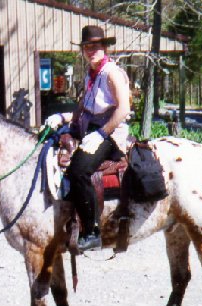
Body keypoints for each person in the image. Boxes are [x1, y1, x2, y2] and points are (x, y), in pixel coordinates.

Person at [45, 25, 131, 252]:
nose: (91, 51)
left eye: (96, 46)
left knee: (78, 170)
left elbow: (123, 109)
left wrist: (102, 133)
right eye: (87, 47)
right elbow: (83, 108)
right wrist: (63, 118)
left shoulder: (112, 73)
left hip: (110, 133)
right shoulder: (91, 76)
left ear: (104, 47)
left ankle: (92, 231)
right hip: (91, 130)